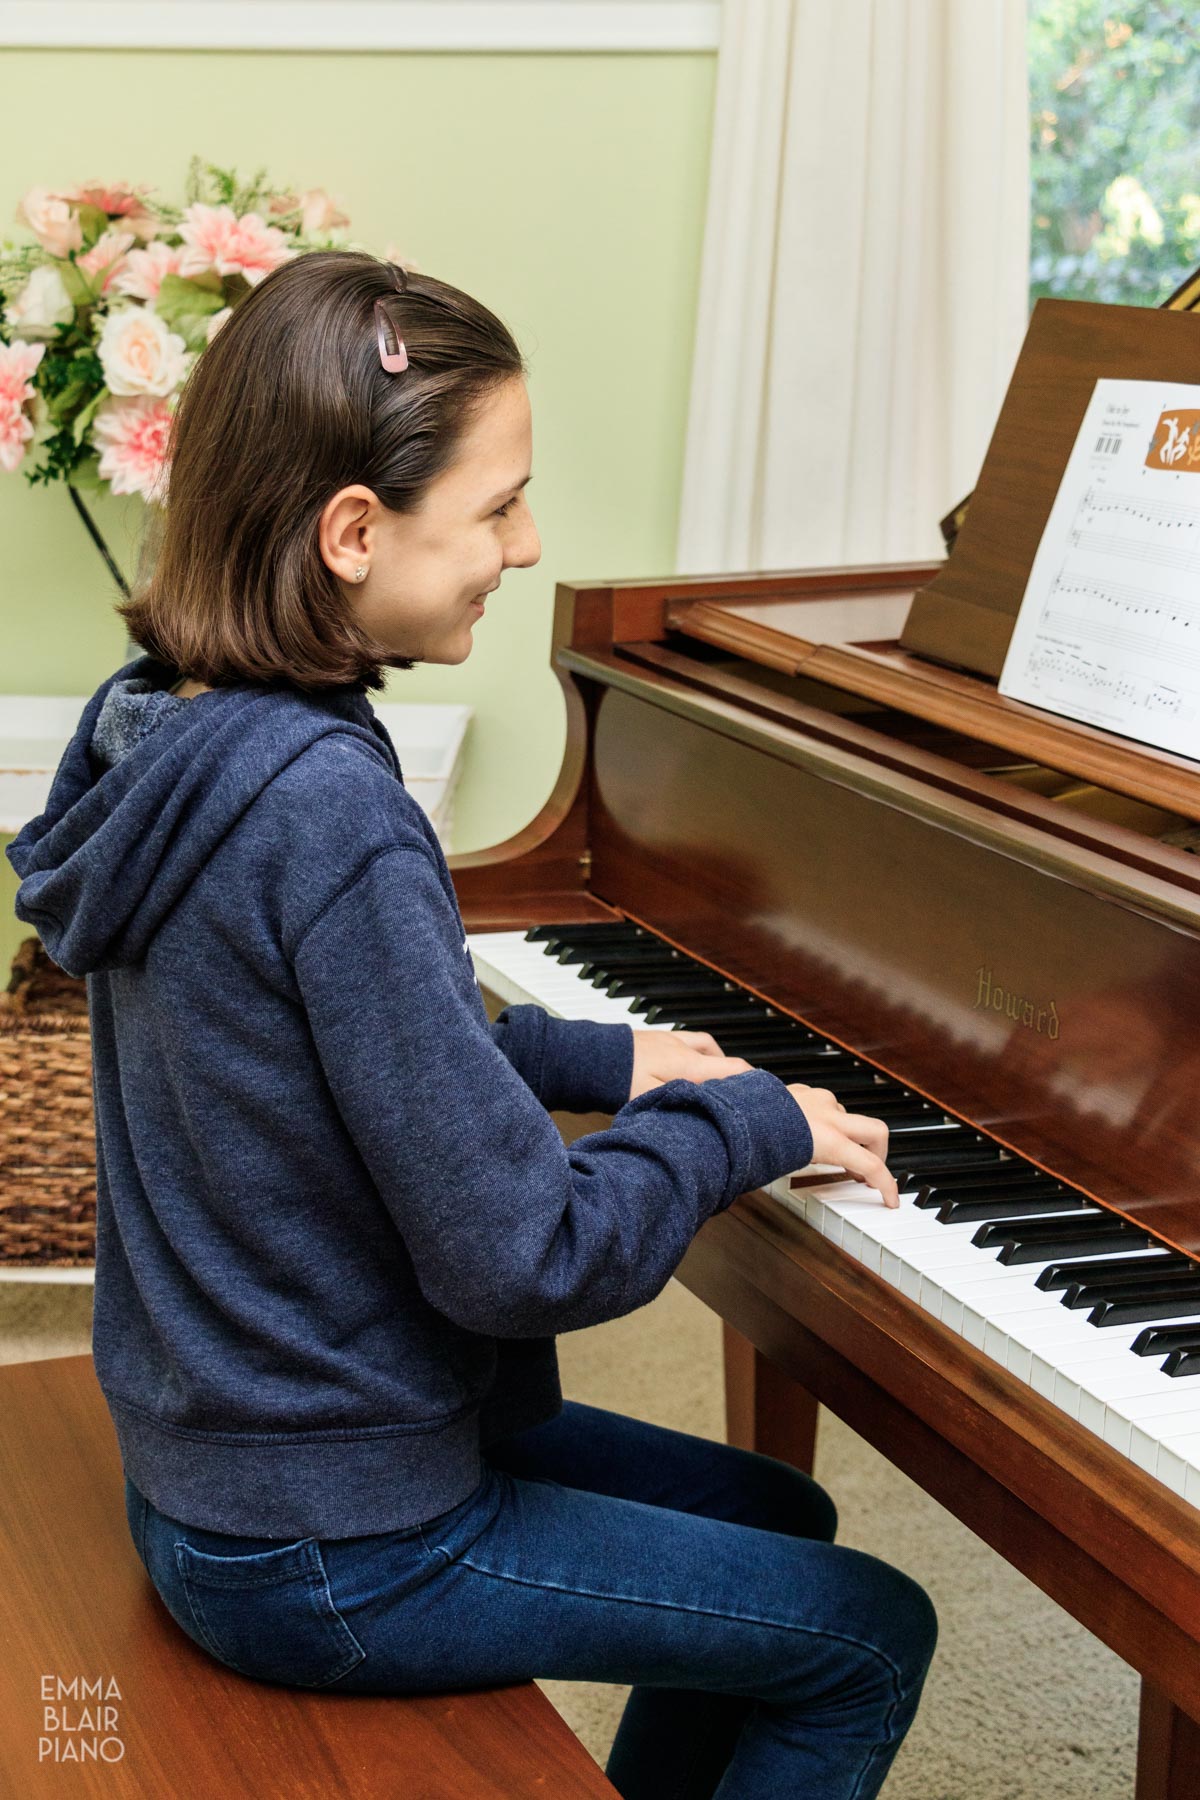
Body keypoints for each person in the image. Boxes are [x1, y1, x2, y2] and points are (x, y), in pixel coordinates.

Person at [7, 251, 935, 1799]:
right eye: (497, 506)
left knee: (781, 1520)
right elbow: (524, 1258)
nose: (529, 543)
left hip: (230, 1468)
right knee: (867, 1631)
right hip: (337, 1541)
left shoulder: (169, 726)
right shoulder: (329, 812)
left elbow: (345, 1058)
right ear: (353, 533)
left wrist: (611, 1056)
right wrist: (744, 1124)